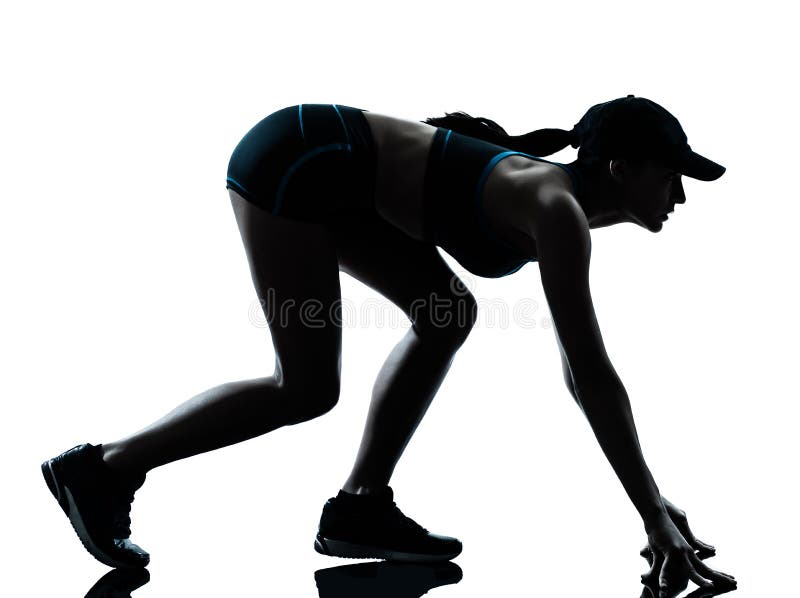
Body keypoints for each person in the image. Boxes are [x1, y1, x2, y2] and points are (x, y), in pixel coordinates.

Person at [41, 96, 737, 594]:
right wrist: (649, 508)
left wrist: (650, 501)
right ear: (620, 166)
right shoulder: (555, 208)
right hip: (300, 157)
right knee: (307, 388)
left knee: (447, 315)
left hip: (334, 177)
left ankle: (360, 506)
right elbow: (589, 374)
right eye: (671, 172)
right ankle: (102, 469)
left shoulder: (554, 199)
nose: (680, 192)